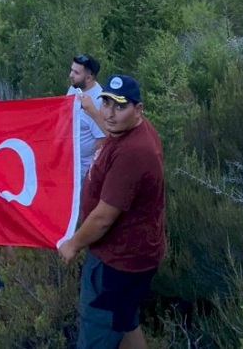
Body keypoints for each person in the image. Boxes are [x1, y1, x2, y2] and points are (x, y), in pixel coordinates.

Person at [58, 74, 165, 349]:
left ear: (138, 109)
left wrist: (73, 244)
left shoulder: (134, 151)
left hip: (117, 263)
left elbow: (104, 217)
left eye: (120, 106)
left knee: (97, 333)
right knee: (125, 321)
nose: (111, 113)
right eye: (106, 103)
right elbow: (108, 128)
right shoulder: (130, 131)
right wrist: (95, 113)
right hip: (133, 257)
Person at [67, 54, 106, 181]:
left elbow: (101, 138)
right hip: (68, 159)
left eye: (76, 73)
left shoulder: (97, 101)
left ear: (89, 77)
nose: (71, 75)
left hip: (83, 167)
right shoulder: (75, 87)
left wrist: (82, 155)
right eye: (71, 70)